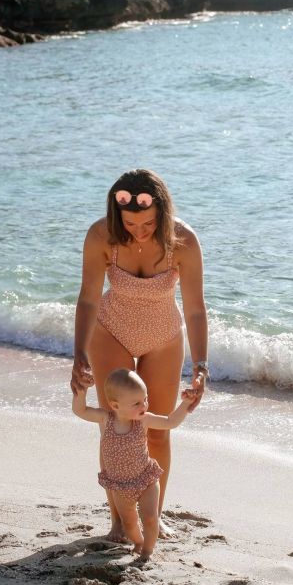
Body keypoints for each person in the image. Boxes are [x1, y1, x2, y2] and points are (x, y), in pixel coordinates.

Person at [70, 168, 208, 541]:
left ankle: (152, 518)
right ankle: (118, 520)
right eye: (131, 223)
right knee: (115, 429)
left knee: (158, 433)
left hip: (163, 338)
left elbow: (195, 309)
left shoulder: (184, 241)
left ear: (161, 212)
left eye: (147, 222)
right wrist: (78, 353)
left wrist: (201, 365)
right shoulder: (102, 236)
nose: (139, 230)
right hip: (110, 331)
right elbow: (87, 298)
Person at [72, 368, 196, 562]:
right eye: (137, 403)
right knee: (129, 525)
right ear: (115, 405)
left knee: (150, 518)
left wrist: (186, 404)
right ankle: (138, 542)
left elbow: (170, 421)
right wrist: (82, 392)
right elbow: (80, 410)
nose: (144, 405)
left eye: (145, 399)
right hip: (120, 486)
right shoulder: (106, 419)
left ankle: (147, 550)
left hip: (145, 478)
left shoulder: (144, 420)